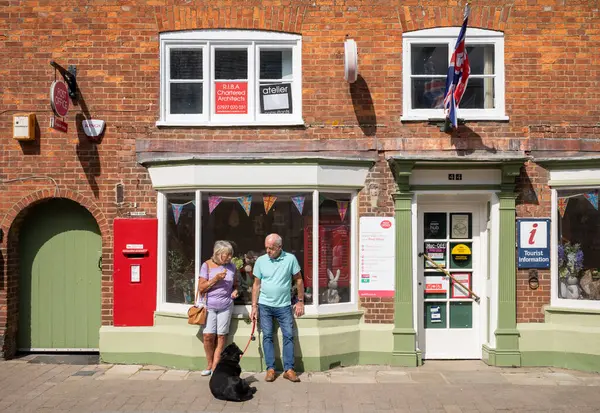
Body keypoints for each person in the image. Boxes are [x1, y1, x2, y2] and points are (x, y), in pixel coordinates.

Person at [250, 233, 304, 383]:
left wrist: (300, 301)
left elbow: (298, 279)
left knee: (288, 336)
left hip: (284, 306)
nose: (268, 251)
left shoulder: (290, 259)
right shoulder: (261, 261)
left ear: (280, 247)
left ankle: (289, 369)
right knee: (267, 336)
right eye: (266, 248)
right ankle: (270, 369)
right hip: (265, 306)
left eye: (271, 248)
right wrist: (254, 306)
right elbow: (256, 284)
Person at [198, 240, 239, 376]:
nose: (229, 258)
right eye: (226, 255)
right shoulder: (207, 266)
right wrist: (215, 279)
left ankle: (215, 366)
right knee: (208, 336)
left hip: (226, 305)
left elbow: (236, 284)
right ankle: (209, 364)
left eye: (230, 255)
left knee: (221, 336)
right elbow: (201, 287)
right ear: (218, 253)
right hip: (209, 306)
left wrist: (235, 290)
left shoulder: (232, 266)